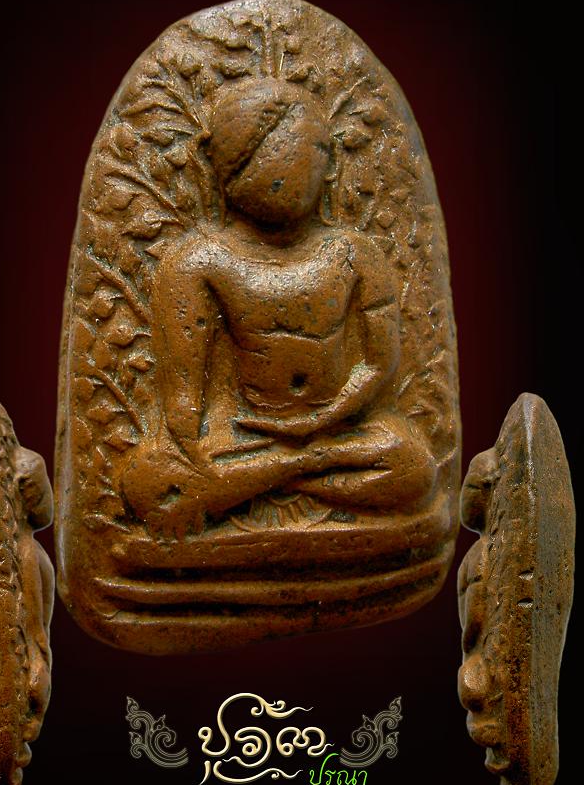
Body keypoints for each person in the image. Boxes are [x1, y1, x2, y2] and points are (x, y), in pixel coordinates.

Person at [122, 77, 435, 538]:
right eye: (267, 149)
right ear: (229, 166)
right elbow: (183, 399)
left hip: (335, 435)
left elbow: (379, 364)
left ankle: (272, 481)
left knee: (414, 465)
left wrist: (323, 421)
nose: (296, 165)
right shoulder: (198, 262)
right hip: (243, 436)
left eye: (316, 150)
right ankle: (295, 474)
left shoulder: (355, 254)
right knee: (144, 479)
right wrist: (194, 447)